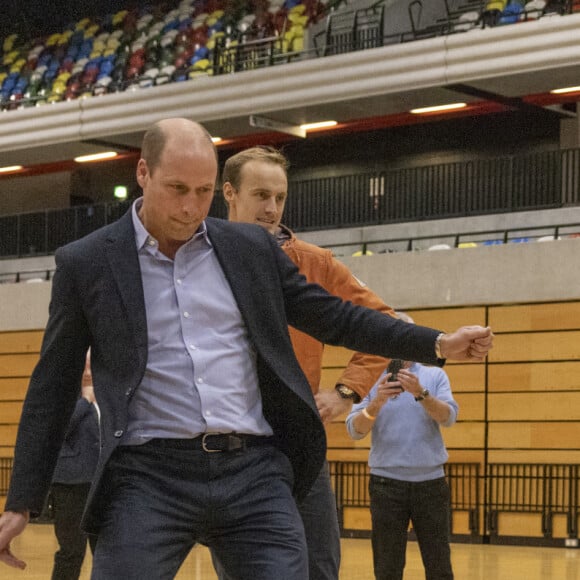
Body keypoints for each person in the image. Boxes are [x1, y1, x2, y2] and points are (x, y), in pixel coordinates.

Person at [0, 118, 492, 579]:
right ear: (143, 173)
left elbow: (336, 316)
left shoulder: (249, 249)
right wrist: (20, 502)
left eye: (204, 191)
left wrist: (437, 343)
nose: (191, 207)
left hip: (253, 470)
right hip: (147, 477)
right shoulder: (86, 263)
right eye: (177, 189)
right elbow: (53, 384)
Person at [222, 145, 398, 580]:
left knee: (319, 567)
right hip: (228, 447)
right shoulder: (201, 261)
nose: (271, 208)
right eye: (261, 195)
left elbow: (381, 322)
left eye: (279, 198)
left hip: (299, 445)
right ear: (229, 192)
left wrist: (346, 392)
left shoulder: (314, 263)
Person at [346, 312, 458, 580]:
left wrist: (421, 393)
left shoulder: (434, 376)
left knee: (439, 564)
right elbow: (354, 430)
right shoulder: (371, 379)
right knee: (387, 567)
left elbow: (448, 418)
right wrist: (376, 404)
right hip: (386, 485)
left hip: (431, 484)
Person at [50, 352, 100, 580]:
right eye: (84, 362)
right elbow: (58, 428)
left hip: (103, 484)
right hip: (72, 484)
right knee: (71, 551)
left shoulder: (108, 395)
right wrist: (86, 400)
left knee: (107, 553)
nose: (88, 367)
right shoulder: (62, 393)